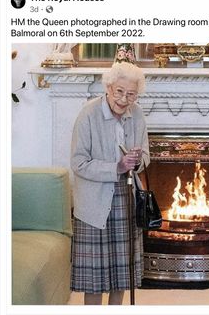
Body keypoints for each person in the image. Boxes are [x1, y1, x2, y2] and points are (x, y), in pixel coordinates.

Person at [70, 62, 150, 305]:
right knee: (94, 278)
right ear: (108, 87)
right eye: (119, 92)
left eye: (131, 94)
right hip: (93, 204)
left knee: (121, 274)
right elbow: (78, 163)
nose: (125, 99)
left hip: (126, 199)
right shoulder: (88, 113)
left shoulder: (137, 114)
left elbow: (146, 155)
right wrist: (116, 166)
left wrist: (136, 162)